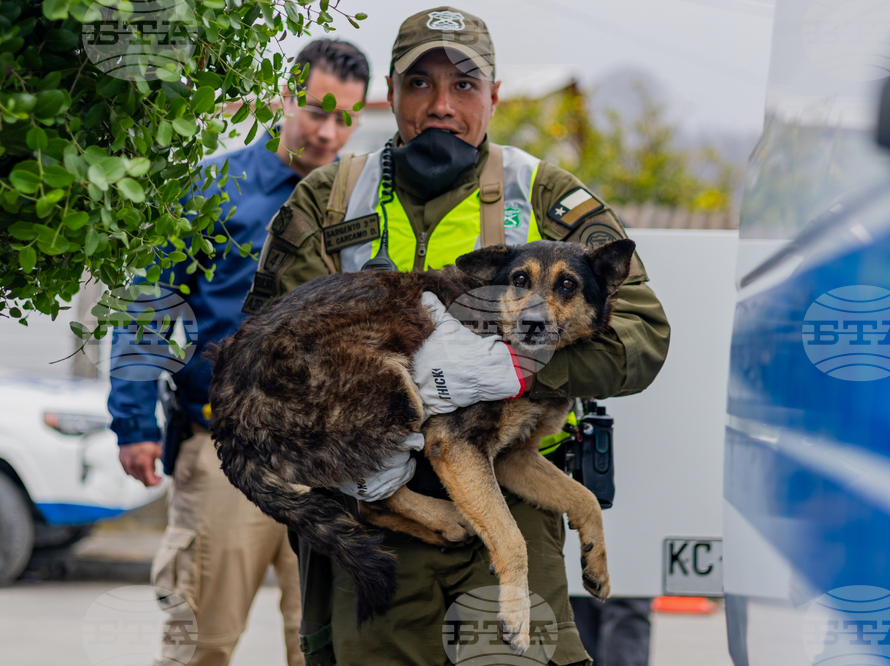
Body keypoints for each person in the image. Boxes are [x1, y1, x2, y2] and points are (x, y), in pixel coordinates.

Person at [243, 7, 671, 666]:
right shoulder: (328, 199)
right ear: (392, 91)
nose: (441, 105)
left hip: (512, 506)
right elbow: (267, 351)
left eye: (464, 85)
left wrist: (519, 370)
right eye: (420, 83)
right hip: (375, 525)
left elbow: (643, 333)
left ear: (493, 96)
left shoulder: (546, 194)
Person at [108, 39, 370, 666]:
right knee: (201, 643)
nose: (328, 132)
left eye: (345, 118)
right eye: (316, 111)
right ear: (284, 97)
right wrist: (134, 421)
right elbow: (149, 302)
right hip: (229, 450)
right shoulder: (213, 187)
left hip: (337, 463)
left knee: (332, 651)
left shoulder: (366, 199)